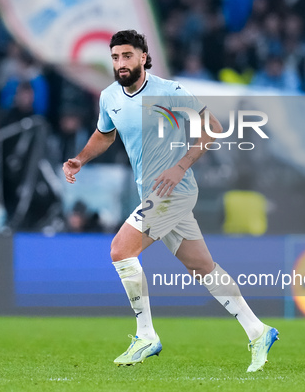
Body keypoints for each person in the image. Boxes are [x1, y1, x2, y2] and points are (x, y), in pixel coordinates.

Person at [62, 30, 279, 372]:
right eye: (116, 57)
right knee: (203, 267)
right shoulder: (109, 97)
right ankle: (258, 330)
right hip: (150, 192)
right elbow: (105, 134)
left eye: (128, 56)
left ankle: (146, 335)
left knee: (121, 250)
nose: (121, 63)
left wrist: (179, 167)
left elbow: (212, 127)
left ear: (144, 57)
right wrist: (80, 160)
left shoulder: (170, 91)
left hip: (172, 191)